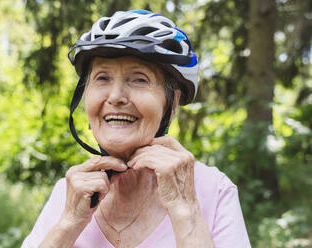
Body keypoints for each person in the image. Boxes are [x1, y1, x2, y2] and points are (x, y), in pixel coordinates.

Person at [22, 10, 251, 248]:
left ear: (171, 105)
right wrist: (68, 223)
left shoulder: (212, 190)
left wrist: (185, 211)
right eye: (102, 78)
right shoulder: (69, 192)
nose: (116, 96)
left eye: (139, 79)